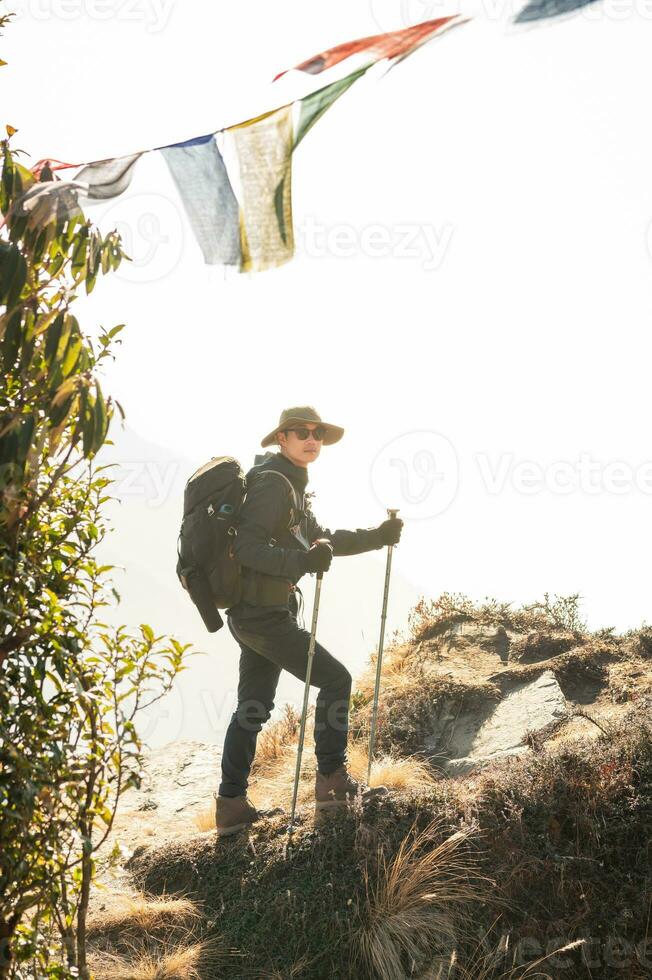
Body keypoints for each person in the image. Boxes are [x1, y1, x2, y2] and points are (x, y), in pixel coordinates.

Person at [214, 405, 404, 836]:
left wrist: (376, 537)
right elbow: (247, 548)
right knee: (335, 681)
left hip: (256, 614)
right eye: (300, 432)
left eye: (317, 432)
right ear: (281, 438)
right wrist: (301, 560)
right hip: (263, 616)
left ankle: (230, 807)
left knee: (253, 707)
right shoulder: (272, 486)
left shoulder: (290, 487)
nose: (311, 438)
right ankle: (333, 784)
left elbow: (323, 540)